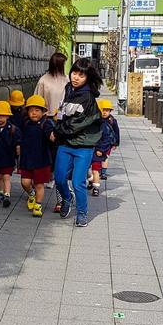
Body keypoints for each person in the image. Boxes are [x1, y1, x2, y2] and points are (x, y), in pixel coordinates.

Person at [52, 58, 102, 228]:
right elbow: (62, 113)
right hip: (66, 143)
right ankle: (67, 198)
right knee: (59, 178)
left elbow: (75, 124)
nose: (76, 77)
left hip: (83, 146)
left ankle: (82, 213)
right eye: (74, 73)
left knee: (78, 182)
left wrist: (56, 130)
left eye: (81, 75)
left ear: (88, 77)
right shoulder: (69, 89)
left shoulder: (87, 97)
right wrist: (56, 125)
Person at [35, 52, 69, 209]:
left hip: (62, 121)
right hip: (47, 119)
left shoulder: (67, 79)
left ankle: (56, 182)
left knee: (58, 154)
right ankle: (45, 178)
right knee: (45, 151)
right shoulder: (44, 80)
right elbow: (37, 100)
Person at [18, 95, 54, 218]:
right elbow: (20, 136)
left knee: (39, 184)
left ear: (44, 112)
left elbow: (51, 135)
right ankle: (31, 194)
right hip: (27, 159)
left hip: (42, 160)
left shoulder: (46, 123)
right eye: (31, 110)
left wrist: (53, 136)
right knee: (25, 182)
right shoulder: (25, 123)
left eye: (37, 110)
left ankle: (38, 205)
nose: (34, 113)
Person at [89, 99, 119, 195]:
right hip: (90, 149)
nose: (105, 112)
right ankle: (91, 180)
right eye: (103, 110)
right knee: (88, 169)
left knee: (95, 170)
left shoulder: (110, 122)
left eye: (107, 110)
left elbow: (114, 133)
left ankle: (96, 187)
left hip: (100, 149)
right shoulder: (94, 121)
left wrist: (114, 143)